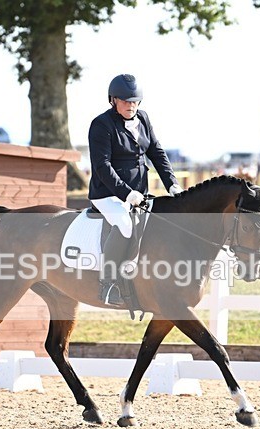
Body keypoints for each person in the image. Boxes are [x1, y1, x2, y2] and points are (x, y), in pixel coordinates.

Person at [88, 74, 183, 306]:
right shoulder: (101, 125)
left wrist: (172, 183)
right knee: (125, 224)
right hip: (108, 194)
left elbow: (156, 152)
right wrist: (126, 193)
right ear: (113, 100)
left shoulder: (143, 119)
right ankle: (108, 284)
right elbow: (102, 166)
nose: (131, 105)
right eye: (125, 101)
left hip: (139, 194)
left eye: (134, 101)